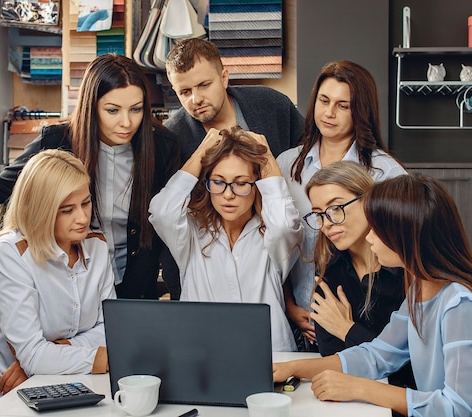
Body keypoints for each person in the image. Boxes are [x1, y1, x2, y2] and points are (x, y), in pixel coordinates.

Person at [273, 174, 472, 417]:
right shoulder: (419, 290)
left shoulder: (461, 305)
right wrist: (293, 369)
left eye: (378, 230)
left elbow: (459, 409)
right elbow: (377, 356)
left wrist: (362, 389)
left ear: (407, 234)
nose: (370, 239)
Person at [0, 54, 181, 300]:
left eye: (136, 109)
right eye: (112, 110)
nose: (126, 122)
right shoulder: (57, 140)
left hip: (135, 288)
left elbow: (174, 219)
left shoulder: (162, 147)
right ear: (91, 106)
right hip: (69, 285)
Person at [0, 149, 116, 409]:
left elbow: (109, 330)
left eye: (86, 203)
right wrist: (104, 359)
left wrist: (54, 351)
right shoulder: (10, 254)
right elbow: (34, 356)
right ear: (40, 210)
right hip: (3, 399)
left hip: (74, 387)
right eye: (67, 210)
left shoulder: (96, 246)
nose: (82, 218)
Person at [276, 60, 406, 351]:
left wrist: (347, 326)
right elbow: (274, 240)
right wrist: (287, 305)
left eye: (342, 105)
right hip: (298, 316)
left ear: (360, 111)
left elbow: (407, 255)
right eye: (324, 101)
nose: (329, 113)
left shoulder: (386, 173)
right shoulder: (285, 165)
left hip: (364, 322)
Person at [148, 126, 302, 352]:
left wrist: (266, 156)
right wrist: (202, 152)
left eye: (241, 183)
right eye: (218, 181)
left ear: (257, 185)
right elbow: (162, 212)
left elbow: (285, 225)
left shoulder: (270, 233)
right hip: (201, 356)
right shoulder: (192, 233)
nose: (228, 195)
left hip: (270, 354)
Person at [303, 160, 413, 390]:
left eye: (336, 208)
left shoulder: (406, 269)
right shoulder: (330, 268)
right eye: (319, 214)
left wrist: (347, 329)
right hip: (353, 399)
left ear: (368, 201)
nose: (327, 223)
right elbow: (329, 353)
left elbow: (407, 365)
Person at [163, 38, 304, 160]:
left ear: (224, 78)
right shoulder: (170, 138)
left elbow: (313, 152)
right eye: (185, 92)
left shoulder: (272, 103)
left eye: (204, 85)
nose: (196, 99)